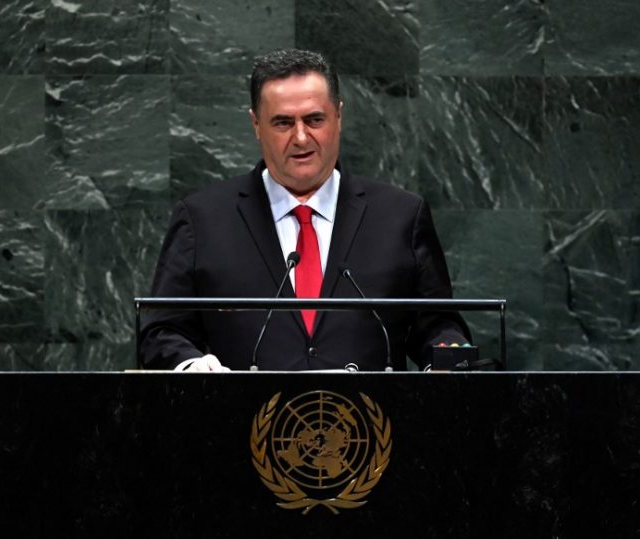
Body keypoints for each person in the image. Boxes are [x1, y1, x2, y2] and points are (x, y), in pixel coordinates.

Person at [139, 48, 469, 371]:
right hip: (244, 408)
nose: (300, 137)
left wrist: (448, 361)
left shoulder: (401, 216)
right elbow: (162, 331)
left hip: (368, 409)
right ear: (256, 124)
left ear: (338, 116)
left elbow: (438, 326)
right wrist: (191, 366)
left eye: (314, 119)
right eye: (283, 122)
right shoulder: (203, 219)